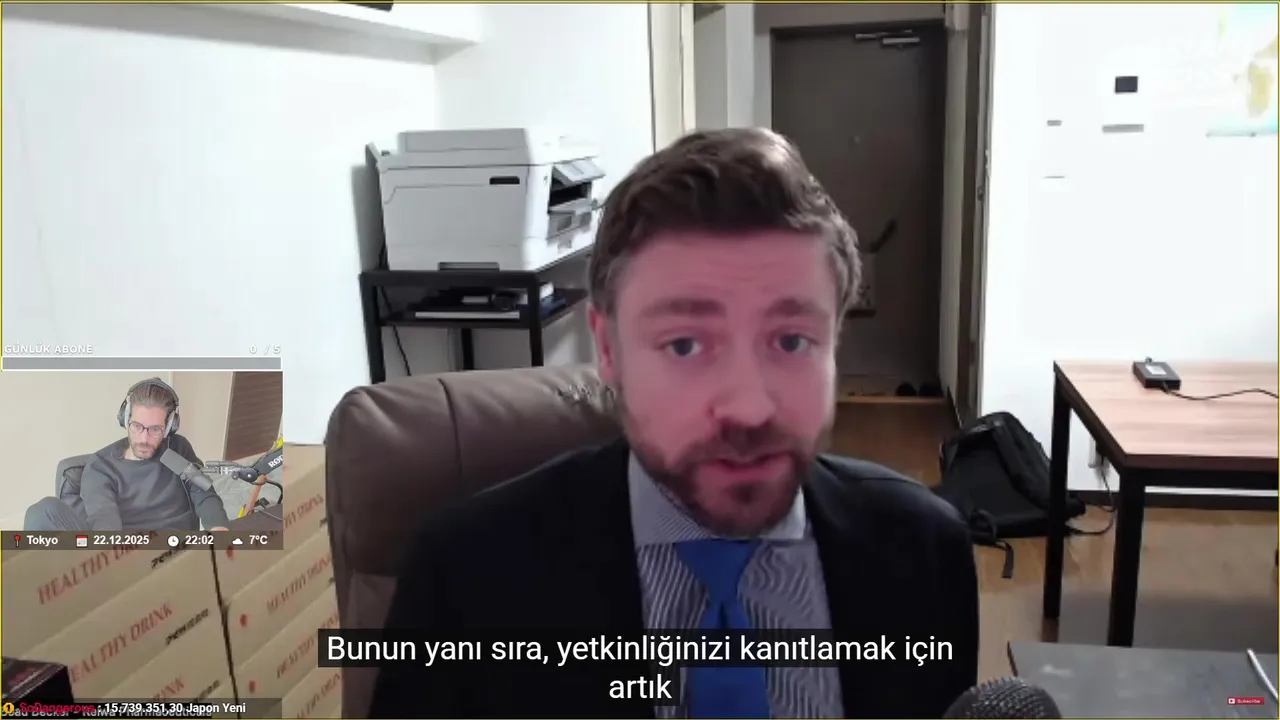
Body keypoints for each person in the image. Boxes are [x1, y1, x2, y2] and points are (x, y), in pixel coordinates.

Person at [370, 128, 979, 719]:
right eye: (685, 345)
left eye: (792, 340)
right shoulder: (463, 580)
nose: (748, 408)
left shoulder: (925, 552)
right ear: (607, 349)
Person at [24, 377, 231, 532]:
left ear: (169, 427)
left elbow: (204, 493)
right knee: (43, 511)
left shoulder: (177, 449)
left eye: (155, 429)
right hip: (127, 556)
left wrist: (219, 529)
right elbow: (104, 518)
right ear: (125, 419)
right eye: (137, 426)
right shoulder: (102, 466)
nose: (144, 438)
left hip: (181, 552)